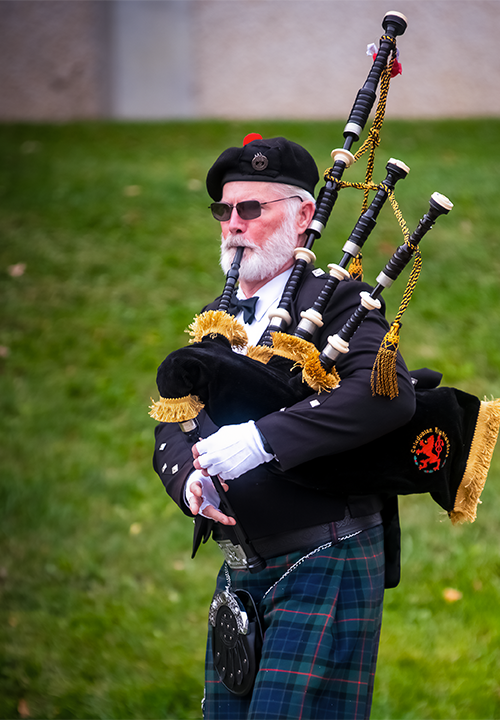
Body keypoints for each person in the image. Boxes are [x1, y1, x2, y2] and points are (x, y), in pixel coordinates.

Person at [152, 135, 416, 719]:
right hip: (242, 568)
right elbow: (173, 420)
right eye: (225, 211)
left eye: (252, 209)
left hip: (325, 555)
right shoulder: (216, 320)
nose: (233, 225)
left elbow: (388, 395)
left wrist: (260, 440)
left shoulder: (342, 302)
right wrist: (188, 484)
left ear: (303, 217)